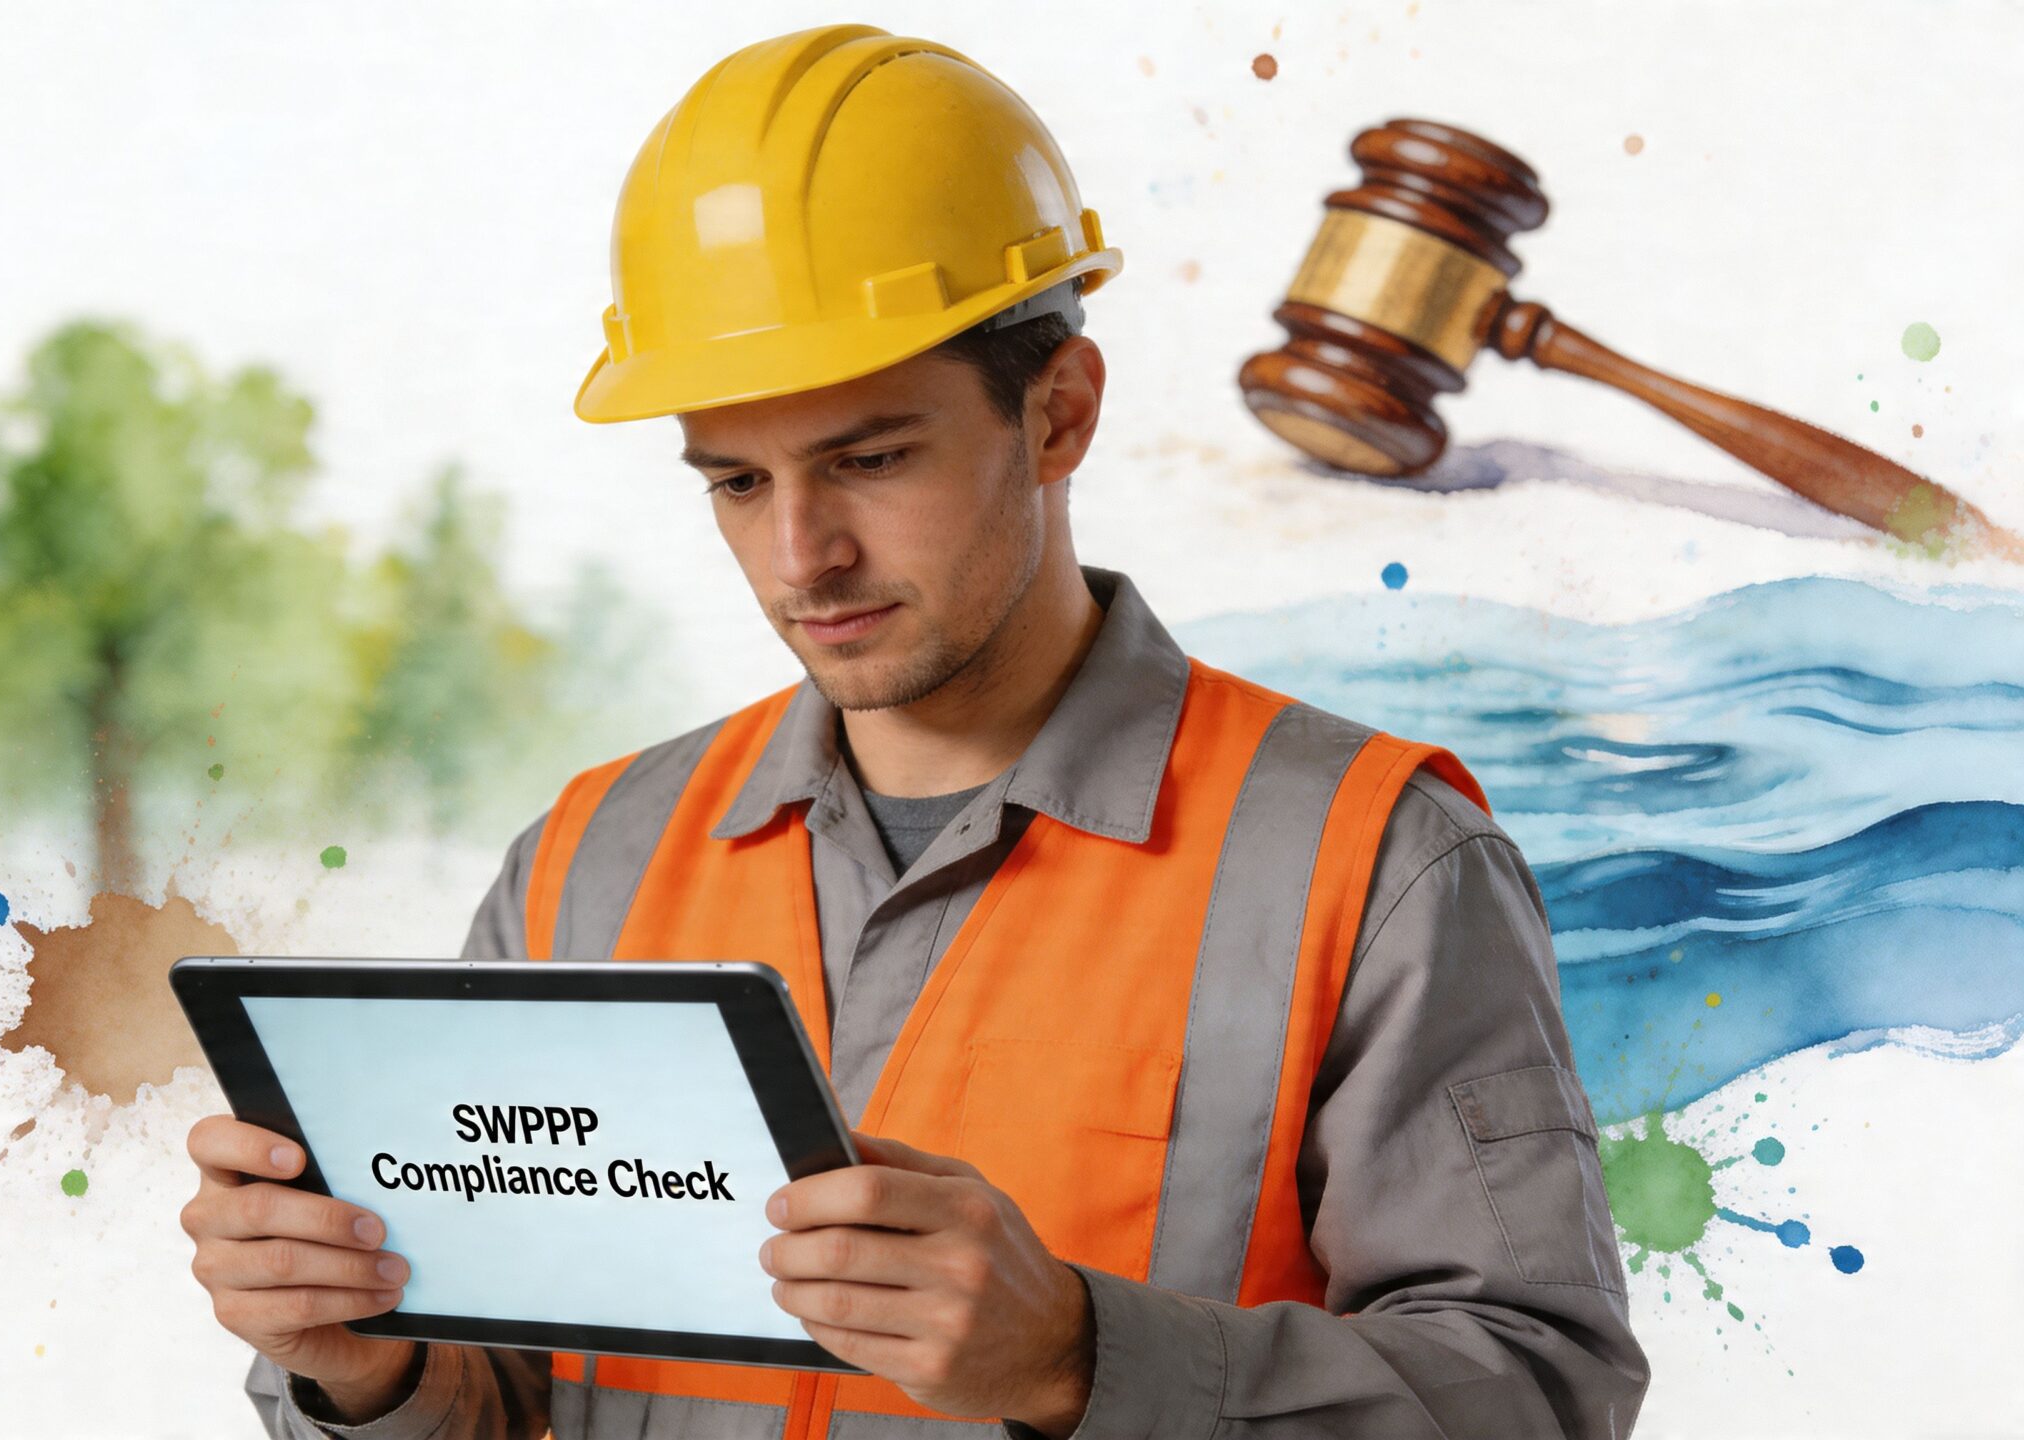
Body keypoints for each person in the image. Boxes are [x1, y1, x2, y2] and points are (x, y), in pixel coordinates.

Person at [185, 22, 1649, 1439]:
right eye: (736, 484)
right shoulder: (588, 865)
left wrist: (1081, 1359)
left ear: (1060, 413)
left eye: (870, 459)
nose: (799, 555)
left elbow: (1538, 1396)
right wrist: (362, 1376)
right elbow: (511, 1407)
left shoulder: (1365, 862)